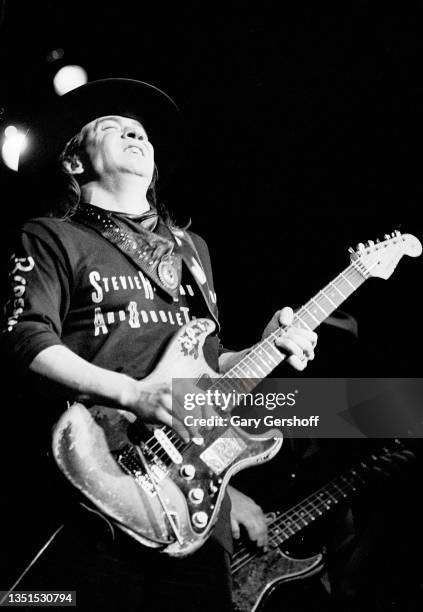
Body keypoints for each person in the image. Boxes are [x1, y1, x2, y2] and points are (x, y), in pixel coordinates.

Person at [1, 78, 317, 611]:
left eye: (144, 133)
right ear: (75, 163)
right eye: (113, 128)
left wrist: (266, 346)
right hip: (100, 476)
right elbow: (24, 338)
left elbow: (209, 367)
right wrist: (132, 394)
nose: (136, 135)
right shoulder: (52, 235)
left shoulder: (194, 252)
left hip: (193, 496)